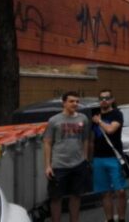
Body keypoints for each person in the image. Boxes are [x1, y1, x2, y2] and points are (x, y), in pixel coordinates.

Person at [43, 91, 91, 222]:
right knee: (56, 198)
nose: (75, 104)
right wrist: (48, 165)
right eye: (71, 101)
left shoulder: (83, 118)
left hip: (78, 164)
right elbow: (47, 142)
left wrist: (85, 158)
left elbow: (86, 139)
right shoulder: (54, 120)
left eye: (77, 101)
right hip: (59, 165)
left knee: (76, 196)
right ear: (63, 103)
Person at [91, 89, 127, 222]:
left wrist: (99, 121)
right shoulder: (94, 115)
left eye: (107, 98)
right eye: (101, 98)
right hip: (98, 158)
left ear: (112, 100)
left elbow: (111, 130)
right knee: (105, 192)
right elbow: (90, 139)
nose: (104, 100)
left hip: (114, 157)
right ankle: (110, 219)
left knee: (120, 191)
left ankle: (122, 219)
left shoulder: (117, 114)